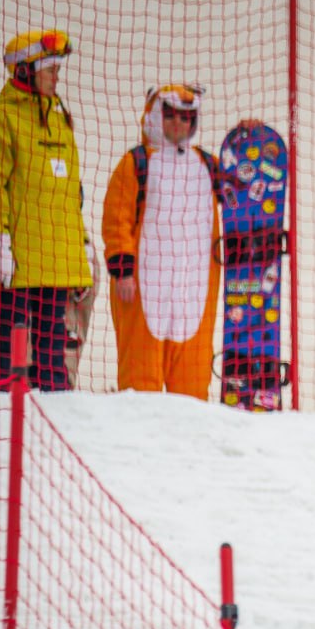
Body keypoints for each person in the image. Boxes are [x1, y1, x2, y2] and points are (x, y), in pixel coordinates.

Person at [102, 84, 221, 399]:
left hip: (193, 291)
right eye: (171, 117)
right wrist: (123, 271)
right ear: (156, 117)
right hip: (143, 289)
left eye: (186, 118)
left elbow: (249, 186)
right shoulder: (135, 163)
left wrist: (249, 137)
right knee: (140, 384)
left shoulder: (208, 166)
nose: (179, 124)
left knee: (193, 390)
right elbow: (117, 221)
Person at [0, 29, 95, 389]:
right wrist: (1, 241)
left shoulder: (60, 119)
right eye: (50, 70)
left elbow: (70, 192)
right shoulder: (4, 116)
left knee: (53, 349)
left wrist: (81, 245)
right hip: (20, 260)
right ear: (25, 71)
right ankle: (7, 417)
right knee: (9, 347)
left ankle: (55, 413)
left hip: (56, 258)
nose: (57, 77)